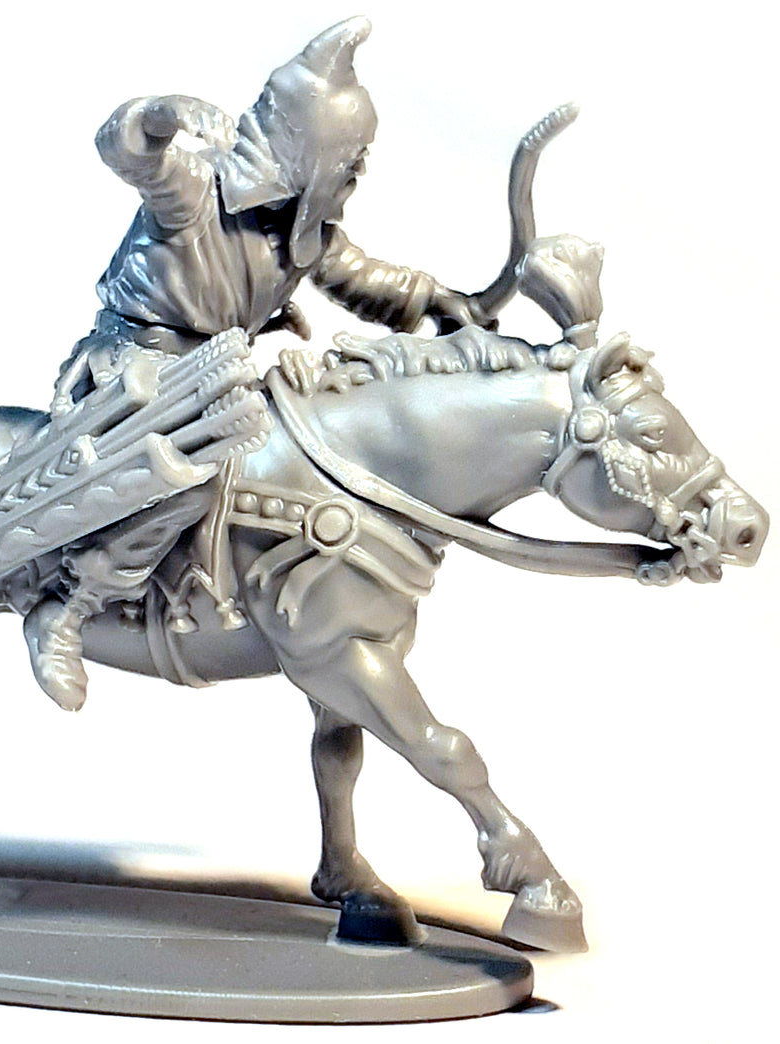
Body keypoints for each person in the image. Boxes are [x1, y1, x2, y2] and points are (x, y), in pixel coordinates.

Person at [24, 17, 488, 711]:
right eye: (351, 155)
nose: (358, 170)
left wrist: (434, 300)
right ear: (313, 151)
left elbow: (362, 278)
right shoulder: (196, 191)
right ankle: (68, 607)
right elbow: (126, 151)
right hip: (139, 366)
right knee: (187, 472)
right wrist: (158, 117)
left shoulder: (302, 226)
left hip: (213, 374)